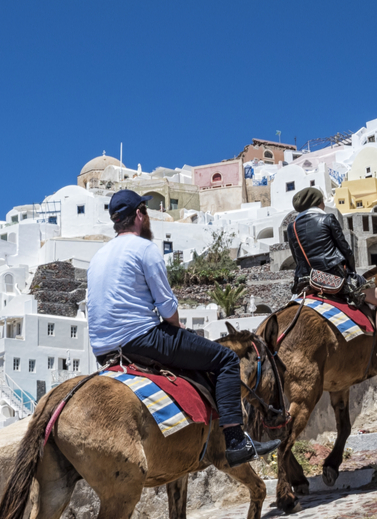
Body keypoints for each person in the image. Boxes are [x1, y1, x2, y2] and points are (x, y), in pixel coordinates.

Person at [87, 190, 281, 467]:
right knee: (225, 359)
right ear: (140, 214)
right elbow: (168, 310)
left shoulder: (98, 257)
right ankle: (236, 441)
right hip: (142, 339)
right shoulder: (144, 248)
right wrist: (178, 330)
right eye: (146, 211)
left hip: (103, 349)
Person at [284, 186, 377, 367]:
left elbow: (297, 257)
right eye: (322, 200)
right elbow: (346, 250)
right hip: (333, 278)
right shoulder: (327, 218)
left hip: (305, 281)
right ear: (318, 202)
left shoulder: (292, 228)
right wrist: (352, 274)